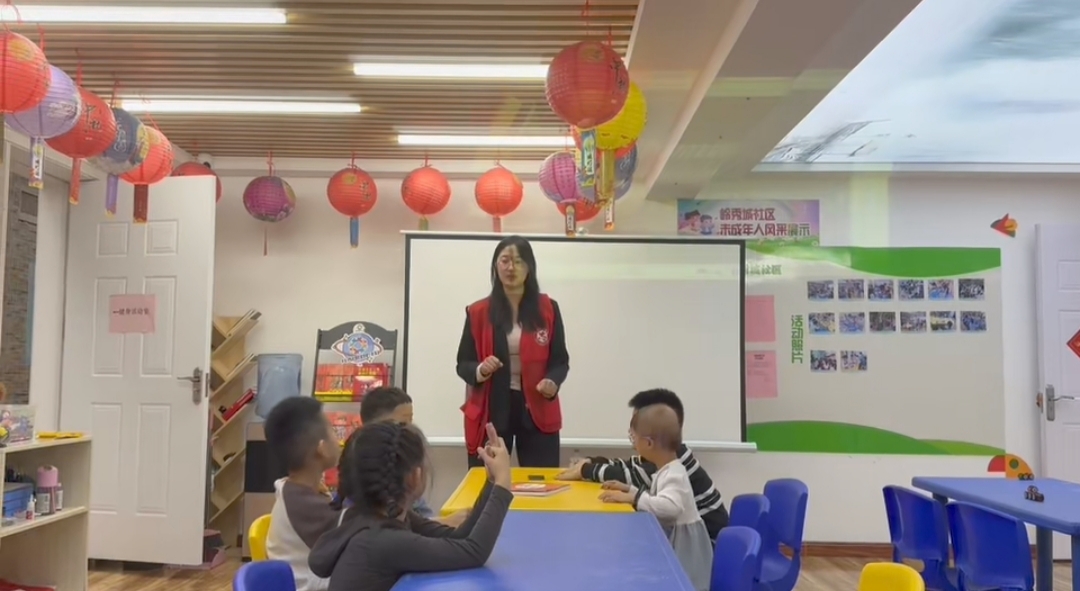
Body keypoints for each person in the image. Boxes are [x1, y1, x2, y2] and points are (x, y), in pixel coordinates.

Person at [309, 422, 515, 591]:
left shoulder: (382, 518)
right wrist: (503, 484)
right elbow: (473, 552)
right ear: (414, 477)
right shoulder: (383, 541)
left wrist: (491, 481)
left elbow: (459, 537)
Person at [455, 235, 570, 468]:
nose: (511, 268)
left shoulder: (548, 309)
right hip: (492, 409)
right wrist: (480, 370)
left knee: (540, 482)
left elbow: (560, 361)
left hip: (537, 408)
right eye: (505, 260)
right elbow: (463, 364)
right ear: (495, 266)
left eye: (519, 261)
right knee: (487, 482)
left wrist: (552, 381)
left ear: (529, 267)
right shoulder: (478, 312)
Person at [555, 388, 729, 540]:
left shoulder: (676, 468)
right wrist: (625, 487)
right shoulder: (665, 460)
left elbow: (670, 507)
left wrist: (587, 470)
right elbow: (628, 467)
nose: (632, 438)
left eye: (635, 431)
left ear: (649, 442)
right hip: (684, 540)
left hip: (701, 546)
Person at [598, 405, 713, 591]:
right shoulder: (666, 470)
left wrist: (634, 498)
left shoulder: (674, 474)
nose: (633, 444)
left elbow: (670, 508)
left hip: (685, 552)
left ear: (649, 444)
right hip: (678, 544)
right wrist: (629, 490)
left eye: (634, 438)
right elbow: (656, 499)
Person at [356, 386, 467, 525]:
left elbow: (421, 514)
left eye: (411, 421)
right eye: (402, 423)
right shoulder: (362, 472)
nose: (410, 429)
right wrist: (444, 522)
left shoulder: (405, 463)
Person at [264, 396, 342, 591]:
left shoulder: (297, 491)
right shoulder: (303, 503)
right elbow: (361, 533)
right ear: (322, 448)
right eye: (333, 431)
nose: (338, 439)